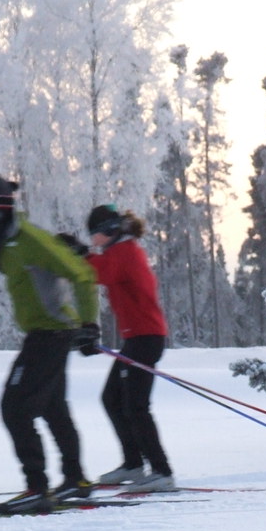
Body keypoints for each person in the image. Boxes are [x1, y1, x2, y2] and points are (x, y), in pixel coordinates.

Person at [0, 174, 101, 513]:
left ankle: (37, 487)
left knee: (14, 408)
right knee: (53, 407)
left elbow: (83, 274)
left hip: (50, 335)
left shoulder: (29, 240)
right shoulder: (7, 242)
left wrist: (89, 324)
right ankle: (76, 479)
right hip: (47, 333)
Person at [81, 204, 175, 492]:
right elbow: (101, 267)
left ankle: (161, 471)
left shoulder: (125, 252)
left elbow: (98, 273)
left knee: (136, 405)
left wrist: (77, 255)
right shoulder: (120, 250)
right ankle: (133, 464)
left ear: (109, 231)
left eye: (95, 235)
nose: (93, 241)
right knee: (112, 398)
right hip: (137, 338)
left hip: (146, 338)